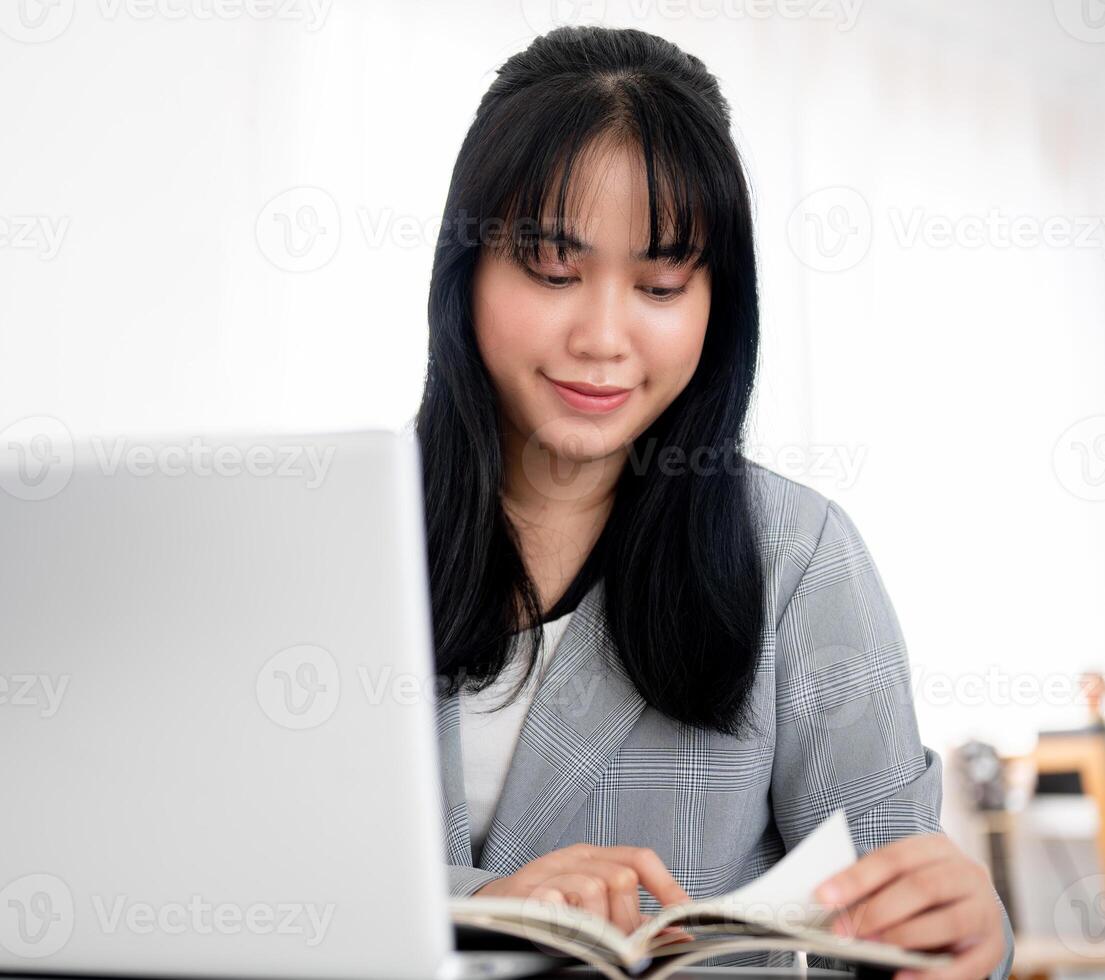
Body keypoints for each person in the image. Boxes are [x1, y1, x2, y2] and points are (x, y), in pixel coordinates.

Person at [414, 26, 1012, 980]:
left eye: (659, 283)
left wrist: (966, 932)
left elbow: (901, 917)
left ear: (713, 306)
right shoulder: (332, 542)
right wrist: (477, 907)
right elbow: (241, 876)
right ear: (465, 272)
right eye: (553, 272)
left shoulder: (799, 558)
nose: (603, 337)